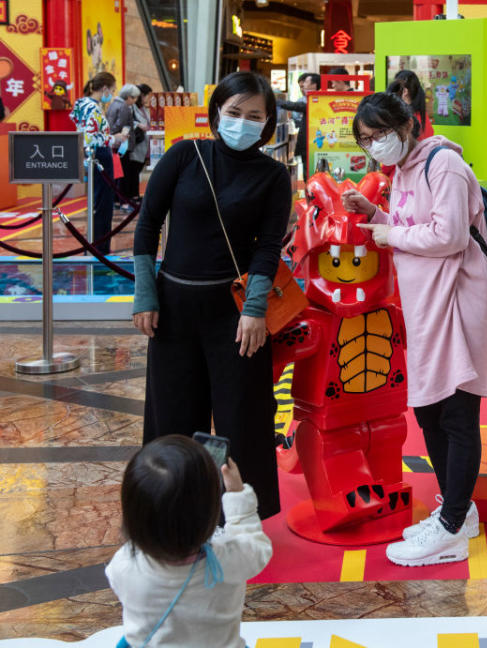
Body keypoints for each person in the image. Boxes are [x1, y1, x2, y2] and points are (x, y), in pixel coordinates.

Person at [341, 92, 487, 567]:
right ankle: (460, 511)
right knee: (431, 410)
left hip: (460, 297)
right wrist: (378, 218)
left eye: (380, 134)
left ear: (407, 125)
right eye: (367, 140)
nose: (376, 146)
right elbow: (417, 226)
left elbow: (448, 235)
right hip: (427, 301)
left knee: (455, 410)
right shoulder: (405, 171)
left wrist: (391, 235)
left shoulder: (444, 164)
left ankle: (450, 527)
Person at [132, 71, 292, 520]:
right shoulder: (186, 155)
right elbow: (147, 226)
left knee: (244, 419)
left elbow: (267, 247)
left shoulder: (273, 176)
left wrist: (256, 310)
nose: (243, 122)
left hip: (236, 314)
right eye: (234, 112)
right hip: (175, 311)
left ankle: (240, 517)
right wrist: (146, 295)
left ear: (268, 122)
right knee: (174, 419)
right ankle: (171, 513)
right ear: (217, 112)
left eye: (255, 115)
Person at [106, 435, 272, 647]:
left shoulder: (124, 565)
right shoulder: (230, 559)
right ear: (209, 511)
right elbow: (257, 546)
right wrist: (237, 494)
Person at [70, 72, 128, 255]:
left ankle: (97, 245)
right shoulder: (93, 108)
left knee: (97, 203)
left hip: (91, 157)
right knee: (103, 205)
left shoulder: (82, 104)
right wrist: (115, 138)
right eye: (111, 90)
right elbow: (92, 137)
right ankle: (100, 247)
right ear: (104, 89)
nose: (111, 93)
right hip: (99, 156)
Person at [382, 70, 435, 178]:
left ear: (405, 92)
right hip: (421, 176)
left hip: (400, 178)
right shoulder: (423, 117)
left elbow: (392, 156)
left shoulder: (402, 119)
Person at [277, 73, 321, 184]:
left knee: (311, 173)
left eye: (306, 82)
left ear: (314, 85)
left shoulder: (318, 100)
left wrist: (278, 102)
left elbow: (299, 106)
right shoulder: (309, 99)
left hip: (312, 144)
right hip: (309, 144)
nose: (303, 86)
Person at [107, 84, 141, 208]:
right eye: (134, 98)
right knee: (123, 174)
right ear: (129, 97)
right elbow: (121, 124)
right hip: (122, 144)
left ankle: (116, 200)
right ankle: (124, 202)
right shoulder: (125, 107)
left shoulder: (113, 104)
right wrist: (119, 134)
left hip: (113, 144)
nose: (135, 101)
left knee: (117, 173)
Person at [122, 83, 152, 202]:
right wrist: (139, 125)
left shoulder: (144, 109)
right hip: (136, 145)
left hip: (144, 145)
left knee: (136, 172)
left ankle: (134, 195)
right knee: (132, 172)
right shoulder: (131, 107)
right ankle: (131, 196)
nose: (148, 99)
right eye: (147, 96)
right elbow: (128, 122)